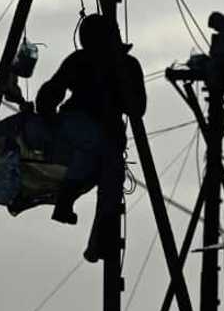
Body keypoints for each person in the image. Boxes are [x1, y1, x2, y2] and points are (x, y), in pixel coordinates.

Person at [35, 14, 146, 262]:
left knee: (106, 177)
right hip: (80, 131)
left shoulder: (125, 65)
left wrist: (118, 83)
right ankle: (78, 214)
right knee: (104, 168)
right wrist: (47, 115)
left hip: (100, 138)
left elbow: (137, 108)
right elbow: (51, 93)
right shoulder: (82, 61)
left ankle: (95, 237)